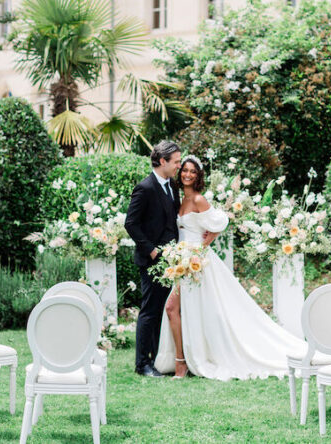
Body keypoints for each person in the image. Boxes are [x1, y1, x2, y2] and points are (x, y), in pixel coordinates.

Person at [154, 155, 304, 380]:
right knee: (178, 309)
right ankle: (182, 360)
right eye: (184, 170)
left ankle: (184, 363)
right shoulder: (180, 199)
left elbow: (220, 222)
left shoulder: (198, 199)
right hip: (183, 261)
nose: (187, 174)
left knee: (176, 308)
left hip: (196, 263)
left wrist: (203, 244)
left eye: (192, 171)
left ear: (198, 176)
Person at [124, 140, 182, 377]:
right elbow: (131, 223)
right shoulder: (145, 188)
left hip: (171, 261)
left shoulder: (172, 186)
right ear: (162, 161)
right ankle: (142, 364)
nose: (178, 165)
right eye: (176, 161)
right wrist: (152, 250)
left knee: (162, 310)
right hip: (152, 261)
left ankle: (157, 358)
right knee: (149, 311)